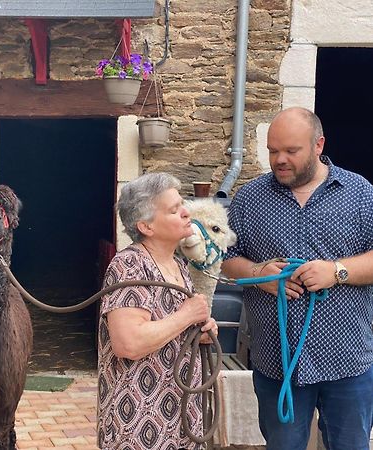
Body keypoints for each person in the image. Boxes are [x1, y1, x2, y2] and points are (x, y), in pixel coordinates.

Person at [221, 107, 373, 450]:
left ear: (318, 145)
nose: (279, 160)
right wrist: (261, 276)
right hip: (278, 364)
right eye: (273, 151)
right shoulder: (249, 198)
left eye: (291, 150)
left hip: (347, 360)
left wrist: (337, 272)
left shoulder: (360, 193)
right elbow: (226, 258)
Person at [97, 172, 218, 450]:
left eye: (182, 205)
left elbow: (172, 331)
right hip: (139, 422)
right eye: (174, 210)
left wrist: (200, 331)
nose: (186, 213)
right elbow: (129, 343)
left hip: (182, 417)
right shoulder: (129, 266)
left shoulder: (179, 266)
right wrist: (187, 315)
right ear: (146, 226)